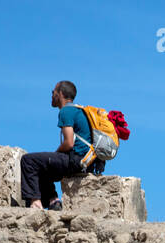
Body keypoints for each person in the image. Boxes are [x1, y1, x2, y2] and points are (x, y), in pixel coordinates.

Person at [20, 81, 103, 210]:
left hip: (76, 160)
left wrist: (56, 153)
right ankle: (54, 201)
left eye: (53, 92)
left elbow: (69, 143)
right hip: (88, 162)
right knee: (44, 164)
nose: (52, 95)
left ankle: (35, 202)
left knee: (28, 161)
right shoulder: (79, 111)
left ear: (60, 94)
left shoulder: (66, 111)